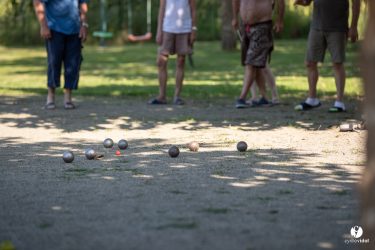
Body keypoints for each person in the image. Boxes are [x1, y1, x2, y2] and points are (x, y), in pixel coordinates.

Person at [294, 0, 360, 112]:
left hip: (337, 27)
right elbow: (307, 2)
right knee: (310, 62)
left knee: (337, 63)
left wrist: (353, 26)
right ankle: (312, 99)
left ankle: (339, 102)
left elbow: (356, 3)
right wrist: (302, 2)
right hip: (316, 26)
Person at [33, 0, 89, 110]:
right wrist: (43, 25)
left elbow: (83, 4)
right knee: (54, 62)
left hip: (74, 29)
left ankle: (68, 97)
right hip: (54, 28)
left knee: (73, 65)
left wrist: (84, 25)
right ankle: (50, 97)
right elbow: (38, 2)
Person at [232, 0, 285, 109]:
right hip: (246, 26)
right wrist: (235, 17)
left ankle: (242, 98)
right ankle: (264, 97)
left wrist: (279, 20)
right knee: (257, 64)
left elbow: (280, 1)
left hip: (262, 25)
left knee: (251, 62)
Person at [149, 0, 197, 105]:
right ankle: (162, 96)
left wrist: (193, 29)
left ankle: (177, 96)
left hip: (184, 29)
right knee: (161, 62)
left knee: (180, 62)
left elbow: (193, 9)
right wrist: (159, 30)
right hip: (167, 28)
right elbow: (162, 9)